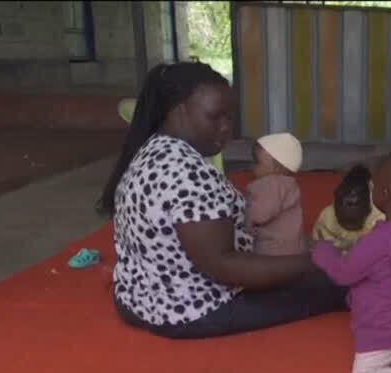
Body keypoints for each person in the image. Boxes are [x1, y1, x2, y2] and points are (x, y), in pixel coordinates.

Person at [100, 62, 346, 339]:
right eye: (214, 117)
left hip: (140, 298)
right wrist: (311, 262)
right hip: (191, 309)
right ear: (178, 110)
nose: (225, 128)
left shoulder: (156, 148)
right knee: (343, 279)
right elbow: (224, 267)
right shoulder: (185, 173)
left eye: (229, 117)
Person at [311, 152, 391, 373]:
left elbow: (343, 272)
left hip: (383, 332)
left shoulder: (376, 242)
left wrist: (323, 252)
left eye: (373, 185)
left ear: (384, 194)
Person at [245, 132, 306, 256]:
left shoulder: (272, 183)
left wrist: (245, 218)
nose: (253, 167)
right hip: (294, 245)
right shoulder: (289, 184)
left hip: (273, 248)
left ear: (277, 168)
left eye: (257, 162)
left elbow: (260, 214)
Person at [312, 164, 386, 252]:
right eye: (344, 222)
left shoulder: (379, 218)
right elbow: (318, 245)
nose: (350, 228)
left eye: (355, 222)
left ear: (368, 210)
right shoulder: (327, 217)